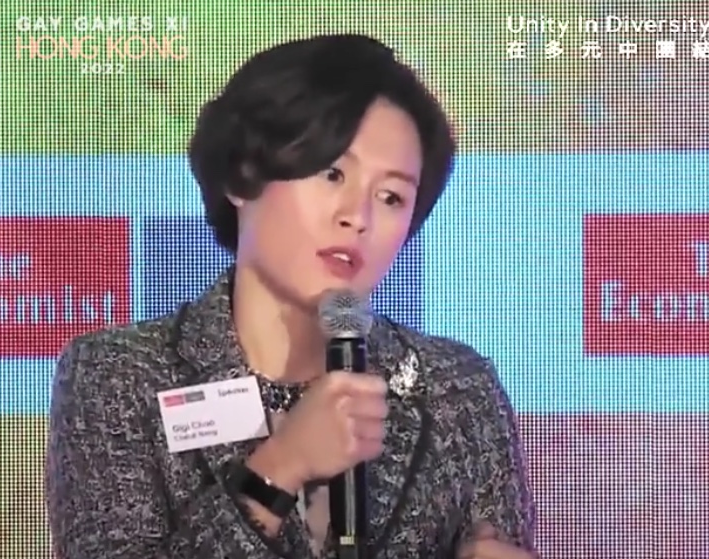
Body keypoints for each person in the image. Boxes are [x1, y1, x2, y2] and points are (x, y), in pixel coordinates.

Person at [45, 34, 537, 559]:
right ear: (243, 175)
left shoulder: (456, 389)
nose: (358, 217)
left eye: (391, 196)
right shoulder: (120, 375)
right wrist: (280, 467)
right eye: (333, 174)